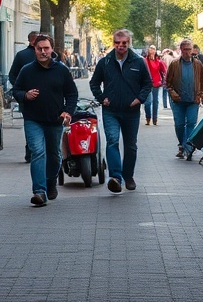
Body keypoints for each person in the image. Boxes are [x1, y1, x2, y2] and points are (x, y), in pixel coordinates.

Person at [12, 34, 77, 207]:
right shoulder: (26, 70)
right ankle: (39, 191)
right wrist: (25, 95)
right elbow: (16, 90)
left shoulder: (61, 70)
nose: (42, 51)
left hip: (54, 120)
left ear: (52, 49)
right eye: (39, 48)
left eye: (46, 48)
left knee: (54, 155)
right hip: (33, 119)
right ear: (34, 49)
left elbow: (72, 93)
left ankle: (50, 181)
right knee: (38, 152)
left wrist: (67, 112)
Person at [89, 29, 152, 193]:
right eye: (117, 43)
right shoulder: (105, 62)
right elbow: (94, 83)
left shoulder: (138, 62)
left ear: (128, 43)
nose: (121, 46)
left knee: (130, 145)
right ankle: (115, 177)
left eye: (124, 43)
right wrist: (102, 98)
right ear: (113, 43)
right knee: (112, 141)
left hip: (131, 111)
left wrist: (139, 99)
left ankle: (128, 176)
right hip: (111, 111)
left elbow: (147, 83)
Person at [165, 38, 203, 161]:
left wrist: (200, 95)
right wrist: (173, 93)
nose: (187, 52)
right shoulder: (174, 64)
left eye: (189, 49)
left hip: (193, 101)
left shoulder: (198, 64)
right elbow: (168, 83)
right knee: (179, 125)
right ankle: (182, 145)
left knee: (191, 123)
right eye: (185, 49)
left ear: (192, 50)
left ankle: (188, 148)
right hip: (178, 101)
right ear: (181, 50)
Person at [9, 31, 39, 163]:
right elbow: (13, 75)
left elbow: (12, 76)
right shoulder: (23, 55)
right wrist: (21, 91)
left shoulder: (21, 55)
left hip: (27, 98)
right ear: (32, 41)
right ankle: (34, 150)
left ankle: (31, 151)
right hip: (31, 98)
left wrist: (21, 90)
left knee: (30, 123)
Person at [144, 46, 166, 126]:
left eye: (153, 49)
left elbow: (164, 71)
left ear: (155, 51)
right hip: (147, 84)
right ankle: (148, 117)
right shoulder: (144, 61)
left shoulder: (158, 62)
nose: (152, 51)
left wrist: (164, 80)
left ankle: (155, 119)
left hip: (156, 83)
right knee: (148, 102)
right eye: (150, 49)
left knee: (155, 102)